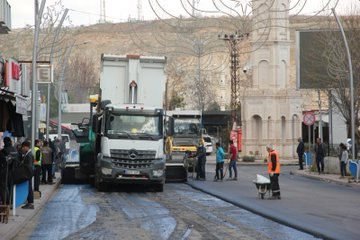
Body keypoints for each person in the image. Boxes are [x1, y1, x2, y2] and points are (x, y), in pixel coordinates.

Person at [0, 137, 17, 205]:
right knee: (11, 186)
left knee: (3, 186)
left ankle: (6, 202)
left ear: (4, 142)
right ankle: (11, 201)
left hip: (5, 171)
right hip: (14, 171)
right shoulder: (15, 150)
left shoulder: (3, 151)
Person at [21, 141, 35, 209]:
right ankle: (29, 202)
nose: (22, 148)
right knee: (28, 188)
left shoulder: (29, 155)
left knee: (29, 188)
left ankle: (30, 203)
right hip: (28, 174)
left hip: (28, 174)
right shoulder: (27, 154)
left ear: (26, 147)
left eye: (23, 147)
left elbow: (28, 166)